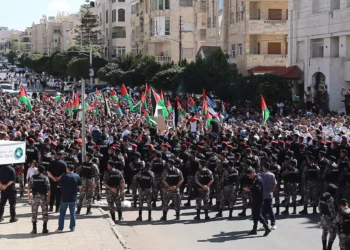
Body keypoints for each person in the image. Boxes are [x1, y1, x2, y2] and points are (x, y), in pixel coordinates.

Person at [244, 167, 271, 236]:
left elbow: (257, 190)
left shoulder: (258, 179)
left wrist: (249, 189)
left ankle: (267, 228)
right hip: (255, 199)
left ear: (252, 173)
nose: (248, 176)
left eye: (249, 174)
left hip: (258, 199)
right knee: (254, 214)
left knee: (258, 215)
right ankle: (254, 229)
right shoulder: (253, 179)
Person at [56, 165, 82, 232]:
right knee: (72, 214)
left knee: (62, 214)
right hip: (73, 198)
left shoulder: (64, 177)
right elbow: (80, 186)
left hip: (64, 198)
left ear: (68, 169)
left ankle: (60, 228)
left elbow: (58, 186)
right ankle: (72, 228)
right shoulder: (77, 176)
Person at [27, 165, 50, 234]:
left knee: (34, 213)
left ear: (38, 170)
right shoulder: (45, 178)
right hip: (43, 197)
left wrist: (28, 196)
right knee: (45, 213)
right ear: (43, 171)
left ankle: (34, 229)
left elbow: (28, 188)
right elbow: (49, 190)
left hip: (35, 197)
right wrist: (48, 199)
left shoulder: (33, 177)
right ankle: (44, 229)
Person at [259, 162, 278, 230]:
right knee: (270, 210)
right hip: (269, 194)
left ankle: (265, 224)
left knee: (263, 211)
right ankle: (273, 224)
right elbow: (274, 184)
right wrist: (271, 191)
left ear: (264, 167)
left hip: (262, 195)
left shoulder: (260, 175)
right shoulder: (272, 175)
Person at [319, 184, 338, 250]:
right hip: (329, 218)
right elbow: (332, 210)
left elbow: (319, 208)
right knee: (333, 234)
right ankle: (329, 248)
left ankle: (324, 248)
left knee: (324, 232)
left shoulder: (321, 196)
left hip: (323, 217)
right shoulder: (330, 198)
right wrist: (335, 219)